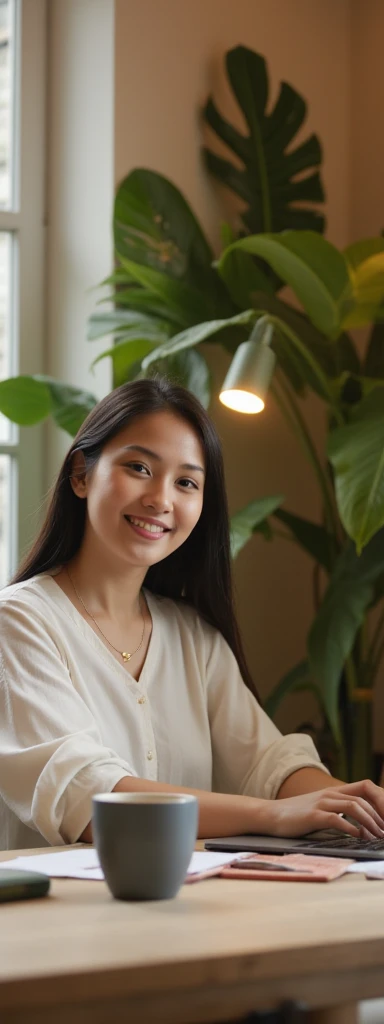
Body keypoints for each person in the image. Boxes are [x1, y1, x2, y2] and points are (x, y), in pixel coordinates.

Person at [0, 377, 383, 851]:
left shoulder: (192, 635)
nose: (161, 500)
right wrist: (276, 815)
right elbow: (89, 799)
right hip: (62, 920)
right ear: (81, 474)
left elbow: (268, 763)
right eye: (139, 467)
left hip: (186, 914)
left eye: (186, 482)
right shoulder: (19, 622)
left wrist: (350, 807)